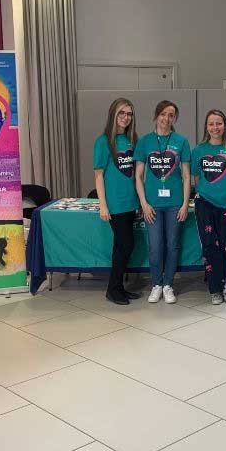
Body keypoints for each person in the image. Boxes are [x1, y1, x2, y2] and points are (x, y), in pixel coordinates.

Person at [134, 100, 191, 304]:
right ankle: (156, 284)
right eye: (163, 114)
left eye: (171, 115)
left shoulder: (181, 141)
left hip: (175, 203)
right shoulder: (145, 142)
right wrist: (144, 203)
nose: (167, 118)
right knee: (155, 246)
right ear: (156, 116)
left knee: (173, 244)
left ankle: (168, 285)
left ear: (175, 118)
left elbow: (186, 176)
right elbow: (139, 176)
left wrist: (185, 203)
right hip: (152, 204)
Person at [191, 109, 226, 304]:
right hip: (204, 204)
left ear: (225, 125)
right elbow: (195, 178)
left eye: (219, 123)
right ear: (206, 127)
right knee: (209, 246)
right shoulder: (198, 150)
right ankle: (216, 288)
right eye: (211, 124)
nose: (215, 127)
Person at [93, 98, 140, 305]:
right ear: (113, 114)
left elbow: (137, 175)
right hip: (115, 204)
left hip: (131, 203)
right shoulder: (103, 142)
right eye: (122, 113)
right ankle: (113, 289)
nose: (125, 117)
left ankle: (118, 287)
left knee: (122, 247)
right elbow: (98, 176)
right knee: (125, 245)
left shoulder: (132, 140)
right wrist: (103, 204)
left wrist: (139, 201)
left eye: (129, 114)